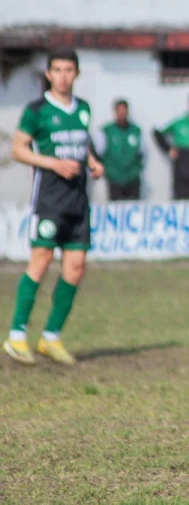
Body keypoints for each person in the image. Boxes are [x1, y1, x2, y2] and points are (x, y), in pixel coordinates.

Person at [4, 50, 103, 366]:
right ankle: (17, 336)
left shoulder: (84, 109)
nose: (63, 76)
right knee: (42, 259)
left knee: (75, 267)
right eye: (57, 70)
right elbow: (18, 150)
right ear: (48, 74)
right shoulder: (36, 111)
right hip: (49, 199)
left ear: (77, 74)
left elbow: (79, 143)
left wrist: (92, 161)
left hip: (78, 200)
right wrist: (52, 164)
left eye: (69, 70)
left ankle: (50, 338)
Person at [98, 99, 144, 201]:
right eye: (120, 111)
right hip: (114, 177)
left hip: (132, 176)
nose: (122, 114)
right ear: (115, 112)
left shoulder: (136, 131)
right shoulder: (107, 131)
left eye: (124, 111)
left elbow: (141, 153)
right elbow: (100, 153)